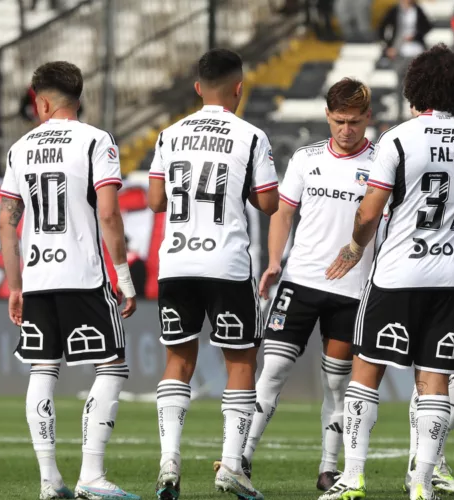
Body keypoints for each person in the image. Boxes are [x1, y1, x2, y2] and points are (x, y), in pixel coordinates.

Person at [319, 45, 454, 500]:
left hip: (397, 274)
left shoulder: (399, 138)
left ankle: (354, 475)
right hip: (448, 280)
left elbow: (370, 210)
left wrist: (355, 244)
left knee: (367, 370)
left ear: (416, 85)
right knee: (434, 379)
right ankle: (421, 481)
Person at [0, 61, 139, 500]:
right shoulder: (96, 141)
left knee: (43, 369)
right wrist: (124, 277)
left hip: (38, 276)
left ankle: (49, 481)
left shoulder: (19, 148)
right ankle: (91, 476)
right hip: (82, 274)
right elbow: (109, 212)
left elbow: (7, 221)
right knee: (113, 366)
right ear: (79, 98)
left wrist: (15, 285)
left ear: (40, 100)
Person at [147, 48, 279, 500]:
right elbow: (268, 204)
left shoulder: (169, 134)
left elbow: (155, 201)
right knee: (240, 361)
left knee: (177, 361)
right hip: (226, 264)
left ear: (198, 87)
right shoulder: (251, 136)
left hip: (176, 262)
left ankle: (168, 461)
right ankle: (231, 466)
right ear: (239, 88)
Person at [241, 78, 376, 492]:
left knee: (337, 381)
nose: (346, 130)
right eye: (339, 121)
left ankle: (328, 466)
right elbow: (283, 214)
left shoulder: (383, 163)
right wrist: (274, 261)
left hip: (353, 288)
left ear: (367, 118)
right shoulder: (306, 158)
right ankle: (241, 456)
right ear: (327, 117)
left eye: (354, 121)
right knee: (274, 369)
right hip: (299, 281)